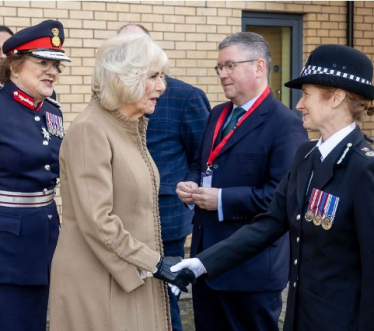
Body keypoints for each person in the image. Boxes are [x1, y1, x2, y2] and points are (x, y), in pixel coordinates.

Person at [172, 44, 374, 331]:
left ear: (337, 98)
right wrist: (201, 263)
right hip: (300, 314)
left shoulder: (364, 168)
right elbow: (269, 224)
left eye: (306, 95)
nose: (299, 104)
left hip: (342, 320)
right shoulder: (306, 155)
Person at [49, 32, 194, 331]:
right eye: (153, 76)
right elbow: (98, 219)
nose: (162, 87)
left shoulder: (128, 125)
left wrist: (151, 264)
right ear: (124, 78)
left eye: (162, 76)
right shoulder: (91, 129)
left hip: (129, 275)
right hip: (100, 282)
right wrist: (153, 263)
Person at [175, 31, 308, 331]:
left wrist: (221, 199)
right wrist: (190, 183)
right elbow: (200, 163)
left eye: (230, 65)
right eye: (219, 67)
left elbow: (279, 197)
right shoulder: (218, 114)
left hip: (251, 271)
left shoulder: (285, 125)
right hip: (206, 261)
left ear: (259, 67)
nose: (223, 74)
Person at [119, 23, 211, 331]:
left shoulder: (186, 97)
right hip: (122, 220)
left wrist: (187, 191)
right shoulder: (114, 96)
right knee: (128, 298)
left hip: (166, 220)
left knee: (164, 299)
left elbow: (202, 158)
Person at [0, 20, 70, 331]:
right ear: (14, 66)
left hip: (45, 236)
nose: (51, 71)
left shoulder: (52, 111)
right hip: (6, 245)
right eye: (41, 62)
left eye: (55, 64)